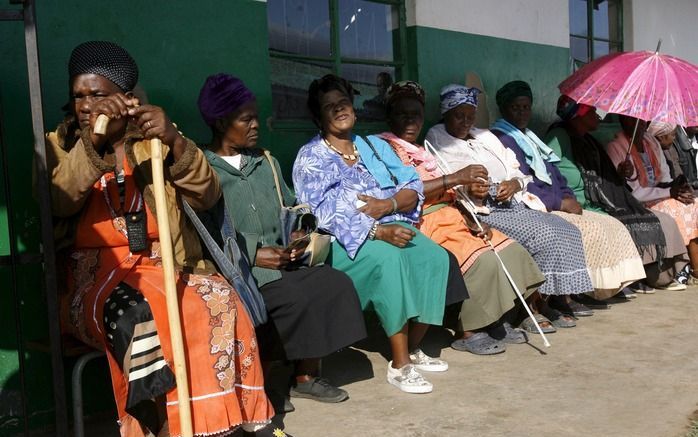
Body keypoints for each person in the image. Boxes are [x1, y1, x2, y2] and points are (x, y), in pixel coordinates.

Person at [46, 42, 279, 437]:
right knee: (144, 313)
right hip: (93, 284)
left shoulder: (152, 141)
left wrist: (174, 142)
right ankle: (165, 425)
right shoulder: (59, 144)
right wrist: (95, 144)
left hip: (164, 264)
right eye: (79, 96)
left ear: (125, 98)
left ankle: (215, 424)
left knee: (216, 298)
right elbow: (60, 200)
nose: (86, 106)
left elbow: (207, 193)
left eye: (98, 95)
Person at [196, 73, 367, 405]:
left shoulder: (266, 162)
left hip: (286, 262)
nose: (256, 125)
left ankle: (305, 375)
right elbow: (201, 231)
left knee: (334, 284)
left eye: (256, 116)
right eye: (246, 119)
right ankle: (265, 380)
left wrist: (299, 231)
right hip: (239, 269)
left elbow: (292, 206)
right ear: (220, 122)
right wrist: (254, 254)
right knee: (288, 298)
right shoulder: (204, 171)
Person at [293, 74, 468, 394]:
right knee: (390, 263)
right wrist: (376, 230)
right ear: (318, 117)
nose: (339, 110)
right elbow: (320, 211)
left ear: (353, 108)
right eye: (329, 107)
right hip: (344, 241)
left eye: (343, 103)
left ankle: (413, 347)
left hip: (391, 224)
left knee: (435, 258)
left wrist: (389, 205)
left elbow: (411, 183)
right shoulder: (312, 156)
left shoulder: (372, 145)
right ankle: (399, 365)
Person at [377, 80, 548, 351]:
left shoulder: (420, 149)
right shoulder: (382, 149)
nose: (411, 121)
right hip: (422, 219)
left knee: (510, 251)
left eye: (416, 115)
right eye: (403, 114)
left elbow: (448, 190)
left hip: (451, 213)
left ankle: (495, 317)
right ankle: (467, 329)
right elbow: (403, 194)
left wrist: (470, 213)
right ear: (389, 117)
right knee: (481, 260)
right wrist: (455, 178)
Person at [426, 84, 592, 326]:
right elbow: (445, 181)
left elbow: (517, 171)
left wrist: (514, 183)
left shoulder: (485, 136)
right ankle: (529, 309)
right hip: (482, 210)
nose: (465, 122)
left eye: (470, 116)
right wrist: (469, 188)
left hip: (511, 203)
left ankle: (552, 298)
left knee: (566, 229)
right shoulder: (437, 138)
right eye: (458, 115)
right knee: (542, 235)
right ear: (445, 114)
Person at [490, 81, 646, 304]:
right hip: (538, 205)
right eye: (516, 108)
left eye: (526, 107)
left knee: (614, 225)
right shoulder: (503, 138)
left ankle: (608, 285)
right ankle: (580, 290)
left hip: (558, 200)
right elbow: (524, 182)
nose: (522, 112)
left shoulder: (529, 137)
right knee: (588, 229)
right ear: (504, 110)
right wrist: (559, 202)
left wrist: (568, 196)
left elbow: (554, 173)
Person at [544, 96, 688, 291]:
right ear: (579, 115)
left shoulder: (588, 140)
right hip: (577, 201)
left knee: (653, 219)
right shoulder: (559, 136)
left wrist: (620, 173)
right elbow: (544, 168)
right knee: (622, 223)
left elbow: (604, 175)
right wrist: (561, 198)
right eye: (592, 112)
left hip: (598, 198)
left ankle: (643, 278)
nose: (598, 117)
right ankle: (616, 284)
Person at [606, 115, 698, 287]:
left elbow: (664, 176)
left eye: (641, 121)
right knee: (673, 208)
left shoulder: (651, 143)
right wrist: (669, 192)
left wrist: (676, 187)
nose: (638, 125)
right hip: (638, 200)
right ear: (621, 120)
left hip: (661, 192)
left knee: (693, 203)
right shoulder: (616, 147)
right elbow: (635, 193)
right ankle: (680, 268)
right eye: (632, 120)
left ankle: (694, 267)